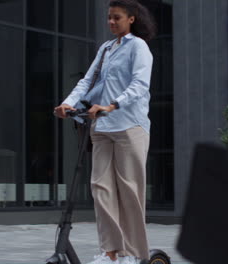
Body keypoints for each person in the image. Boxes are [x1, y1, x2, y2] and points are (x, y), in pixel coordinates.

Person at [54, 1, 156, 264]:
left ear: (131, 19)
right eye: (109, 18)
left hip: (129, 126)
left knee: (129, 191)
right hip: (101, 127)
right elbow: (87, 81)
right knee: (101, 188)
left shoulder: (138, 47)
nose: (111, 23)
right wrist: (68, 103)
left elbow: (140, 85)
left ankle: (133, 254)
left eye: (116, 18)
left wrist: (112, 105)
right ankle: (110, 252)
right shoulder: (106, 49)